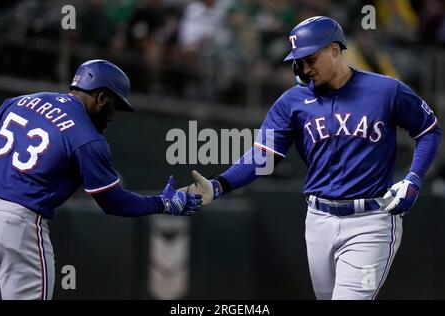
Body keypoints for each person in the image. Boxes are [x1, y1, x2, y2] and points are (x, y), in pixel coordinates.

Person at [180, 16, 442, 299]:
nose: (304, 68)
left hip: (372, 221)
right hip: (318, 219)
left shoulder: (386, 90)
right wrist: (220, 184)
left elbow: (428, 130)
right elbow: (264, 155)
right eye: (298, 62)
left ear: (334, 49)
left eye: (310, 59)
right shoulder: (292, 102)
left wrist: (413, 178)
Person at [0, 59, 202, 300]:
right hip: (19, 228)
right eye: (115, 104)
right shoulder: (87, 138)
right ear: (101, 97)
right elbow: (113, 202)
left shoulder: (21, 101)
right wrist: (162, 203)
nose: (113, 114)